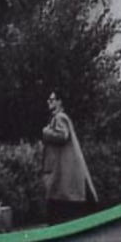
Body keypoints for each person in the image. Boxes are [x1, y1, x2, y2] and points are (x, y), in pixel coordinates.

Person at [41, 92, 100, 222]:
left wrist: (45, 132)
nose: (48, 102)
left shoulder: (60, 117)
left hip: (62, 175)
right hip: (64, 174)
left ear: (60, 102)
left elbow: (63, 135)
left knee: (58, 205)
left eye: (52, 99)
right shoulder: (60, 117)